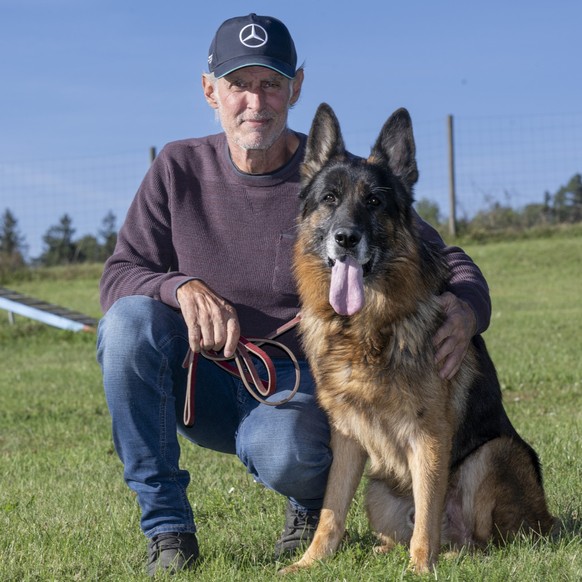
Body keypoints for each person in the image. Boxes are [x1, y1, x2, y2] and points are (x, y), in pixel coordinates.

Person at [96, 13, 491, 576]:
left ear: (294, 89)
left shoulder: (335, 176)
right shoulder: (176, 168)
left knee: (289, 450)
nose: (255, 102)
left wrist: (470, 308)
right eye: (239, 85)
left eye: (270, 84)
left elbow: (440, 256)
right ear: (210, 91)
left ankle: (309, 512)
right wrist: (178, 286)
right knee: (127, 325)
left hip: (292, 391)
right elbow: (117, 277)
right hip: (204, 382)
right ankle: (168, 532)